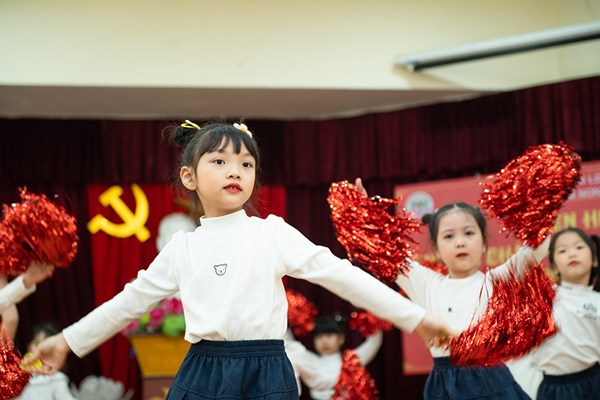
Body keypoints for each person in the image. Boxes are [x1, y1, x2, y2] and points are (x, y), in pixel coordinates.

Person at [23, 121, 453, 400]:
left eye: (246, 164)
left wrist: (415, 318)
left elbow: (340, 275)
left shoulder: (271, 233)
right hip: (204, 371)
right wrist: (67, 341)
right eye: (220, 161)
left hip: (268, 371)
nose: (235, 171)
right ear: (189, 177)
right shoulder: (183, 248)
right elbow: (128, 302)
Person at [355, 178, 550, 399]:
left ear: (483, 244)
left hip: (491, 380)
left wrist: (541, 204)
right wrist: (364, 213)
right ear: (437, 251)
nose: (460, 242)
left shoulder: (497, 280)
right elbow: (385, 252)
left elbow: (537, 247)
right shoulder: (425, 283)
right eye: (449, 236)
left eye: (469, 233)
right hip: (445, 386)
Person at [531, 227, 600, 399]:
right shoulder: (545, 297)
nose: (572, 254)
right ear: (555, 267)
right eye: (563, 250)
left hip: (594, 382)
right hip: (554, 388)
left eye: (579, 247)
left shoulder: (597, 300)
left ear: (594, 260)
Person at [286, 313, 383, 399]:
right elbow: (289, 344)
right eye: (319, 337)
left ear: (341, 338)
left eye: (329, 336)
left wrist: (371, 315)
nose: (324, 341)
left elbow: (374, 342)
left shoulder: (351, 360)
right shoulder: (308, 360)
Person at [13, 322, 77, 400]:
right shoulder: (17, 375)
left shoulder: (56, 378)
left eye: (46, 346)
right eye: (36, 343)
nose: (41, 349)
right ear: (28, 346)